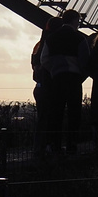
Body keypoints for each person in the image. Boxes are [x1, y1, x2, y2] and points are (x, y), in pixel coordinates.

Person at [43, 10, 91, 152]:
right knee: (74, 113)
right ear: (74, 20)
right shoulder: (80, 39)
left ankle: (55, 144)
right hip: (75, 80)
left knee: (56, 112)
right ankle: (72, 144)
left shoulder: (51, 38)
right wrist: (80, 76)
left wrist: (55, 71)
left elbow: (44, 60)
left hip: (57, 78)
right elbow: (85, 62)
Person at [31, 18, 61, 155]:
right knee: (51, 118)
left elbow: (34, 65)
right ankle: (48, 145)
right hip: (50, 86)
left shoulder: (39, 45)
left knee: (42, 118)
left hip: (39, 86)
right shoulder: (55, 45)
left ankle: (39, 146)